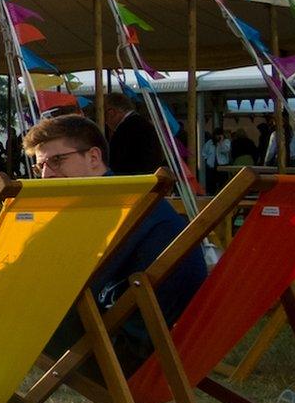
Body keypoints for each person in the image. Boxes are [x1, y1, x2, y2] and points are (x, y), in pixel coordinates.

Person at [29, 114, 207, 372]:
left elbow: (72, 285)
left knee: (2, 316)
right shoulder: (130, 198)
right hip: (170, 344)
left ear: (93, 157)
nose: (46, 175)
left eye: (57, 160)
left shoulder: (115, 208)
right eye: (40, 167)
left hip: (130, 352)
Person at [102, 92, 162, 176]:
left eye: (104, 115)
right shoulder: (145, 124)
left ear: (111, 112)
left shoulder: (124, 130)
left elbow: (114, 162)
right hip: (150, 179)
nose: (105, 122)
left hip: (130, 181)